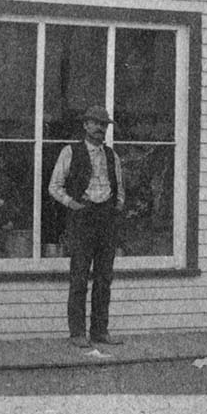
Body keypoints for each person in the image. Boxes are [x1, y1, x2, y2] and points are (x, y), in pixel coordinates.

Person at [49, 105, 127, 348]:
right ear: (85, 125)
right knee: (80, 277)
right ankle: (77, 333)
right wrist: (72, 204)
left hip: (106, 219)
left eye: (104, 125)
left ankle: (100, 331)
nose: (100, 128)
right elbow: (54, 186)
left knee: (104, 278)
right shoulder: (70, 152)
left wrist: (117, 206)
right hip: (82, 218)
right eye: (95, 123)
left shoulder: (112, 155)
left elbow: (121, 189)